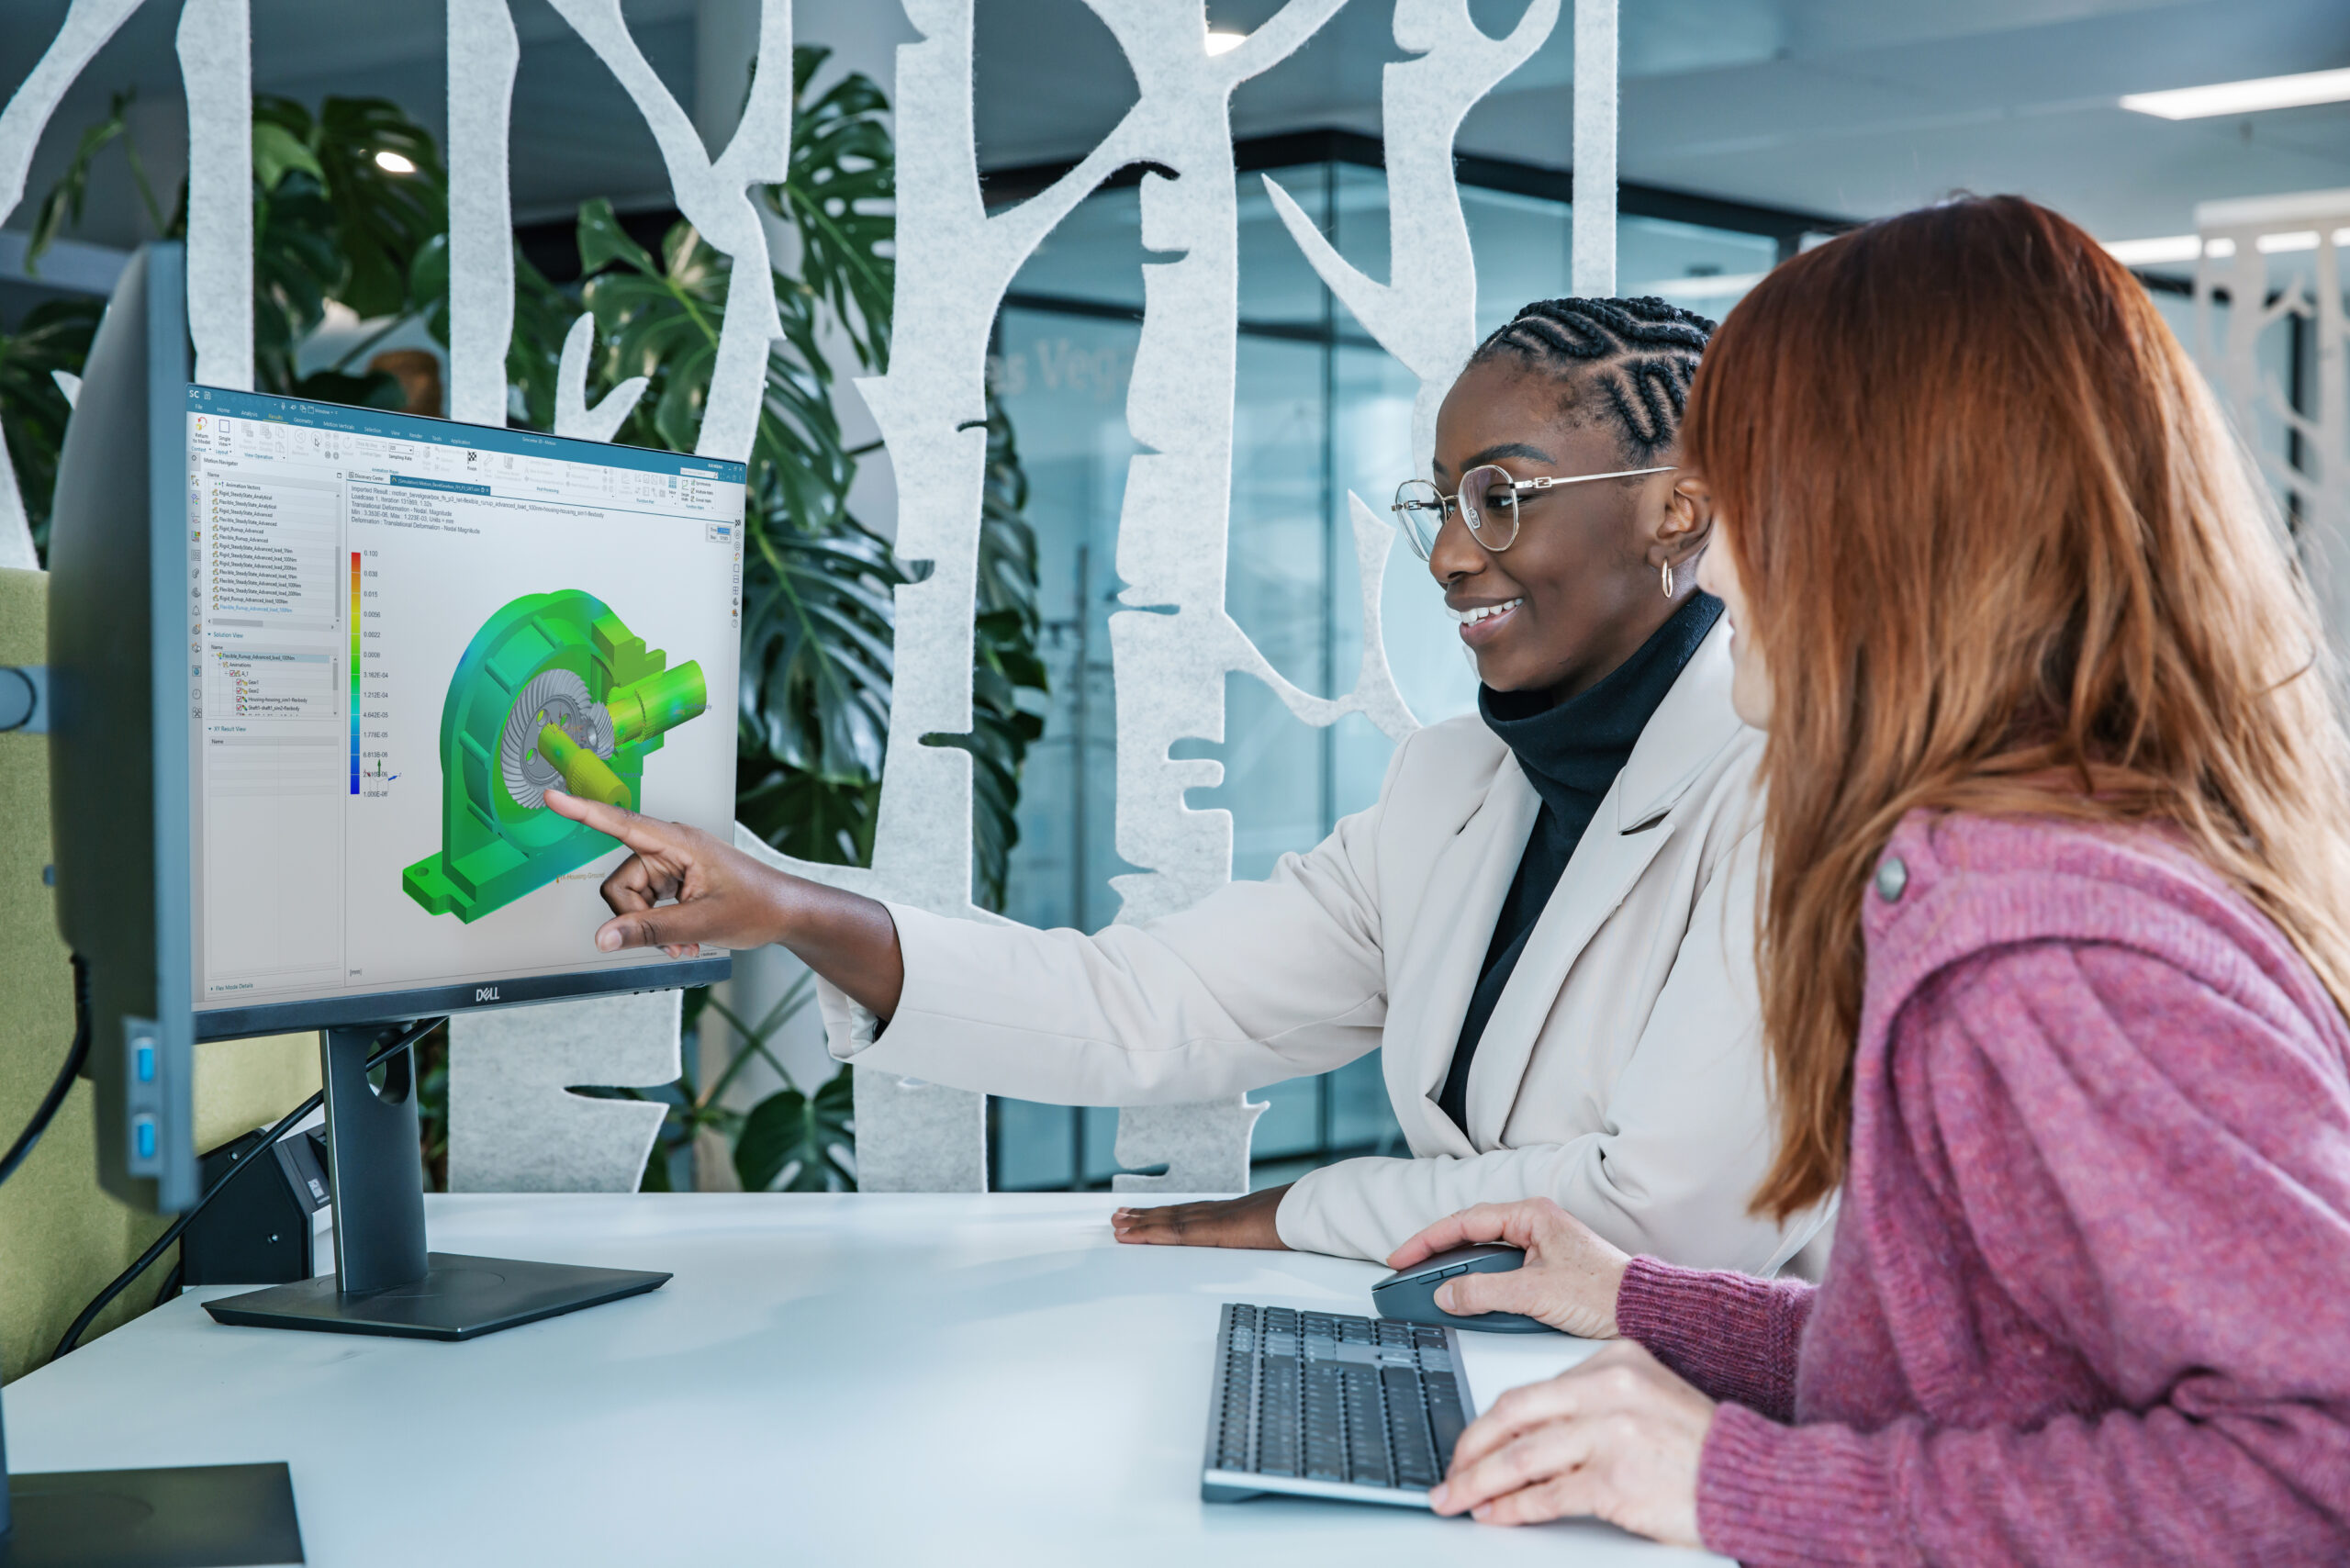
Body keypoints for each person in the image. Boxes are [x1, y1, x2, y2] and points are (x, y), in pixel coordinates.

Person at [1387, 196, 2350, 1562]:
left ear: (1894, 519)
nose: (1713, 564)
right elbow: (1990, 1373)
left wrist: (1737, 1487)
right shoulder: (2035, 865)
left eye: (1748, 499)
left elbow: (2316, 1473)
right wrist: (1646, 1305)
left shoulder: (2042, 939)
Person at [546, 296, 1829, 1273]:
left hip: (1707, 1451)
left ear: (1678, 511)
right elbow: (1152, 1006)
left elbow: (1675, 1215)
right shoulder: (1451, 788)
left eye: (1500, 498)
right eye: (1437, 501)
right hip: (1503, 1372)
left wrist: (1299, 1211)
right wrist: (796, 912)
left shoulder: (1798, 793)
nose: (1446, 555)